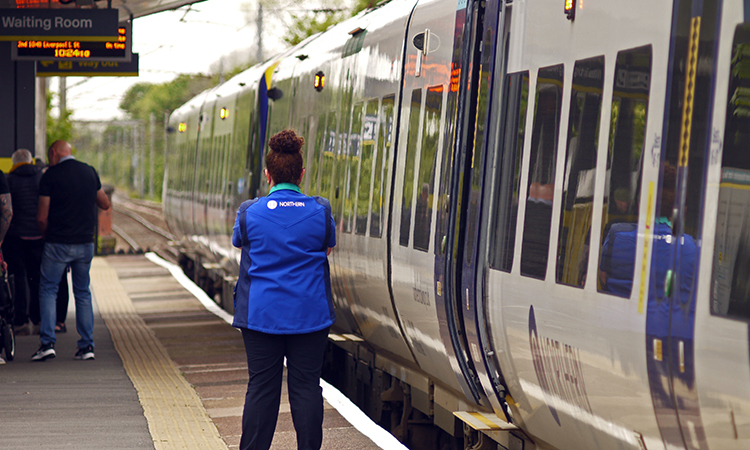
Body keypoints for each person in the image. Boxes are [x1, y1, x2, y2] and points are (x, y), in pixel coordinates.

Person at [232, 129, 336, 450]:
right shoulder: (320, 210)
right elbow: (327, 248)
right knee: (306, 387)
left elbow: (240, 243)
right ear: (302, 174)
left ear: (268, 175)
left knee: (262, 387)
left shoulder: (249, 212)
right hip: (310, 314)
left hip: (261, 315)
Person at [31, 140, 111, 362]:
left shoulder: (50, 176)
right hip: (84, 243)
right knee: (83, 293)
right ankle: (86, 347)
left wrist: (47, 236)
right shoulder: (89, 172)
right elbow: (104, 203)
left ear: (54, 153)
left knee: (48, 289)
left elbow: (41, 216)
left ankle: (47, 343)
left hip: (58, 242)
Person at [3, 149, 44, 335]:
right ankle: (38, 319)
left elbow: (7, 210)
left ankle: (21, 320)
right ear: (31, 161)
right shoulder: (40, 178)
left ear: (14, 163)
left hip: (15, 237)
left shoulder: (10, 180)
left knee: (18, 278)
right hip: (38, 236)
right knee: (36, 278)